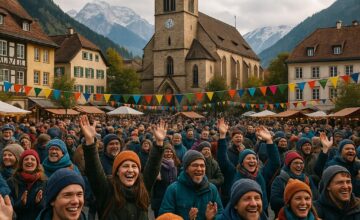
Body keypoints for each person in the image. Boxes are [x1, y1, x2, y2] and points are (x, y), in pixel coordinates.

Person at [80, 115, 166, 220]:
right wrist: (90, 141)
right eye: (125, 166)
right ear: (116, 171)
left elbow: (153, 167)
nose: (130, 170)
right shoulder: (107, 188)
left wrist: (159, 143)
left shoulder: (143, 186)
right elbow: (94, 170)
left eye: (134, 166)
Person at [217, 118, 280, 208]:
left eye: (254, 158)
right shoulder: (234, 172)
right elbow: (222, 159)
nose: (252, 161)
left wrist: (269, 140)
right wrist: (222, 135)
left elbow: (275, 162)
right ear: (242, 162)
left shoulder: (261, 174)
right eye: (248, 158)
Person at [159, 150, 223, 220]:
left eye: (202, 166)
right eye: (195, 165)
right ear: (186, 169)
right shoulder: (173, 189)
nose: (199, 169)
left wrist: (212, 218)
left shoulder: (212, 189)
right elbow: (165, 217)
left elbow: (220, 213)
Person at [270, 151, 318, 216]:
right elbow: (274, 202)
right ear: (289, 165)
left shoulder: (307, 179)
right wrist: (294, 204)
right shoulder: (280, 180)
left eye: (301, 163)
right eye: (295, 163)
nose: (299, 166)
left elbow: (316, 198)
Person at [7, 150, 47, 220]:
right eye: (26, 159)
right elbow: (8, 208)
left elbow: (47, 207)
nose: (29, 161)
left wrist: (39, 202)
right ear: (21, 164)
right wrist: (21, 203)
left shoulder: (44, 182)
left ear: (37, 164)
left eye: (33, 159)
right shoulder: (11, 182)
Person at [151, 144, 180, 217]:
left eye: (171, 152)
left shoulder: (176, 165)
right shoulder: (157, 166)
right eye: (166, 152)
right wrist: (154, 175)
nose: (169, 153)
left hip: (173, 198)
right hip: (160, 199)